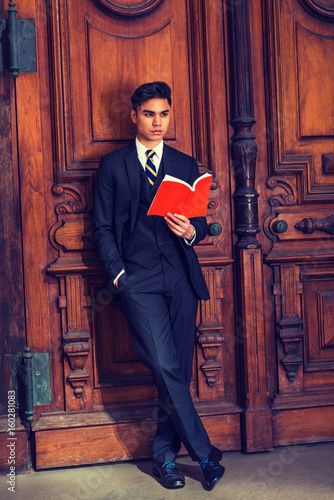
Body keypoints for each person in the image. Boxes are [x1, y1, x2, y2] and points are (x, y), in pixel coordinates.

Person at [93, 81, 225, 490]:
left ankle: (165, 460)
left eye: (164, 114)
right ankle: (205, 454)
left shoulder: (185, 164)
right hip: (139, 280)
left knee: (177, 371)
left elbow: (201, 222)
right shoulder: (113, 166)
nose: (157, 122)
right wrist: (120, 276)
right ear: (134, 116)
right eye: (149, 114)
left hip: (182, 278)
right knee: (166, 366)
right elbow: (100, 228)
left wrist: (191, 230)